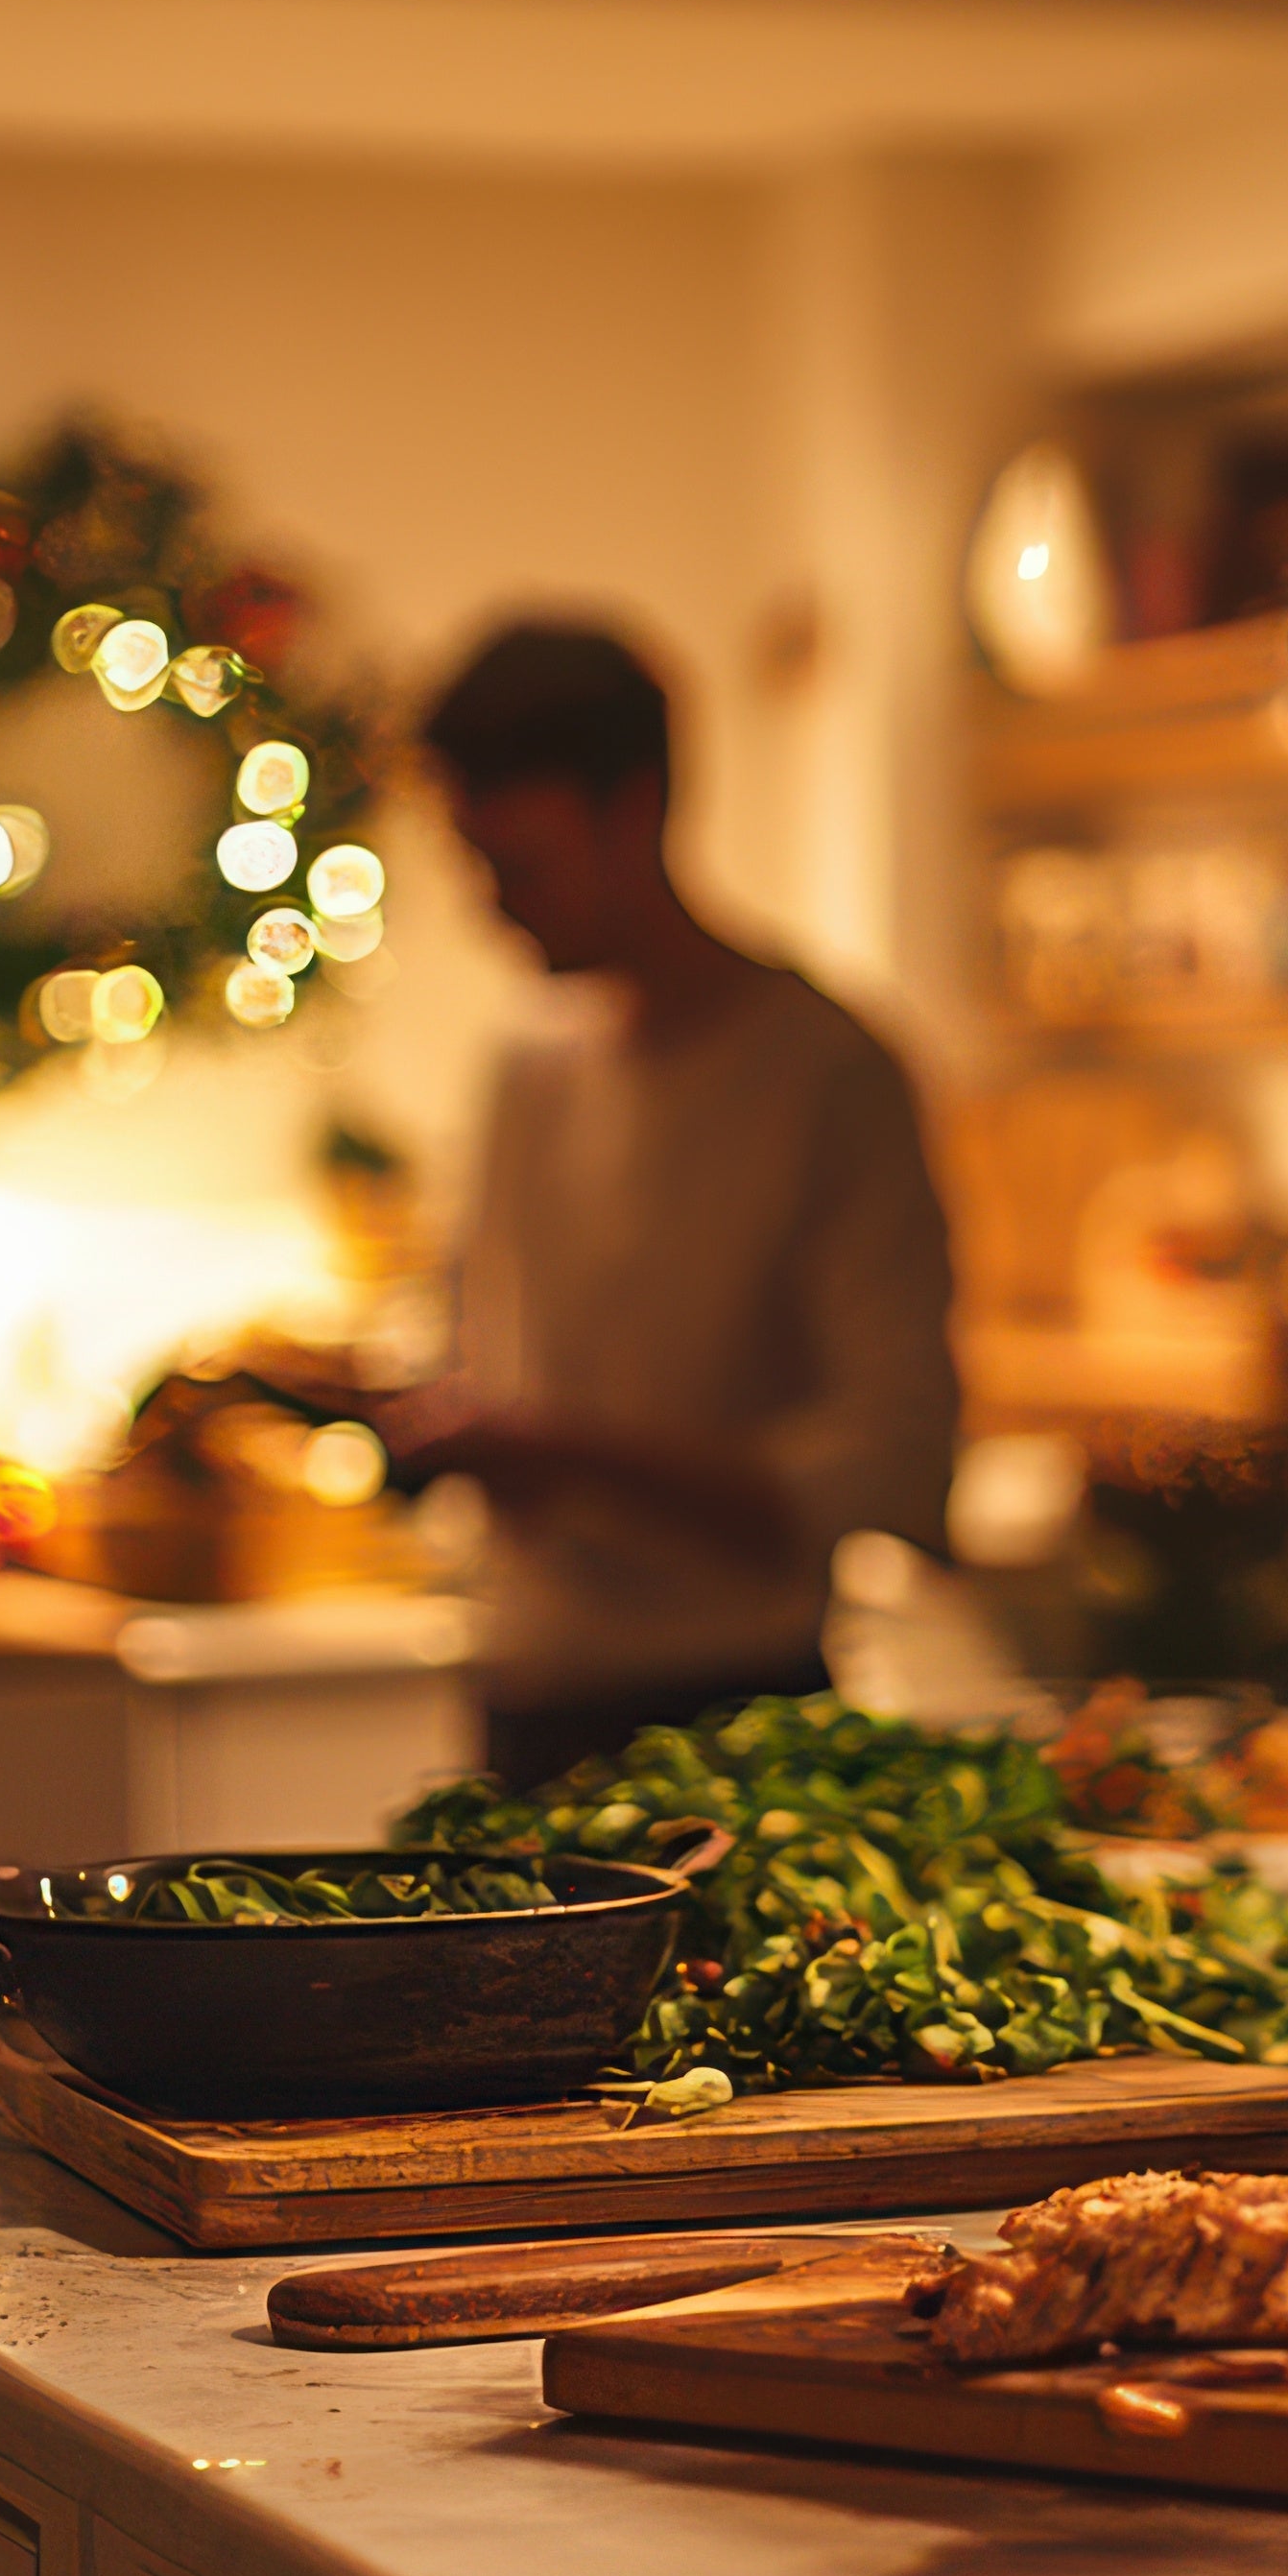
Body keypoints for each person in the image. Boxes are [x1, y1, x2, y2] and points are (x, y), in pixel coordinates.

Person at [394, 620, 961, 1790]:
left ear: (636, 807)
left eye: (522, 863)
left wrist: (578, 1458)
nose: (493, 906)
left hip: (734, 1719)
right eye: (475, 862)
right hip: (522, 1690)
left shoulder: (825, 1071)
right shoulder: (530, 1069)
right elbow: (486, 1355)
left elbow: (897, 1457)